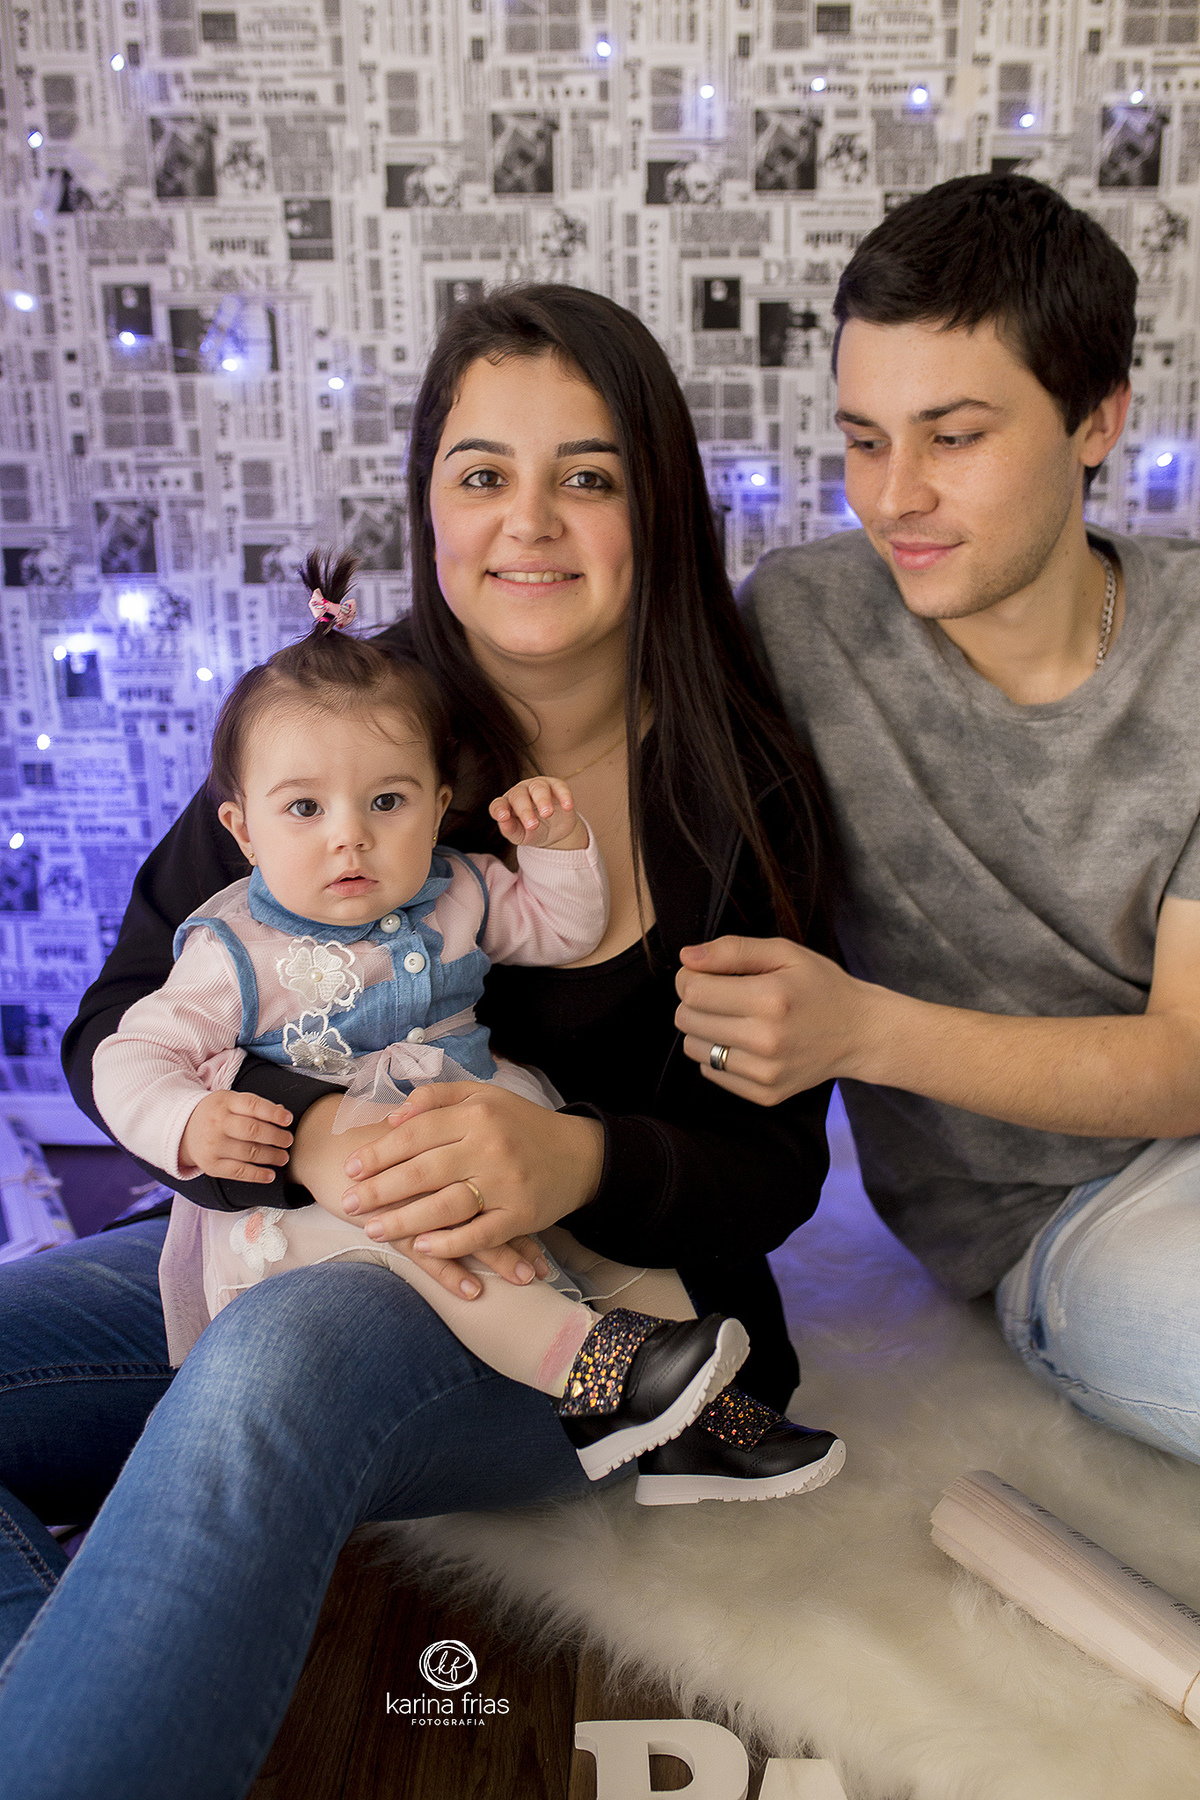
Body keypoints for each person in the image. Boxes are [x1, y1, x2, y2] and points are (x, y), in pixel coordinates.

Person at [0, 284, 838, 1798]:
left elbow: (773, 1173)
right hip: (294, 1227)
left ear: (653, 507)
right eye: (481, 476)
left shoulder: (736, 785)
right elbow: (119, 1028)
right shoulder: (339, 729)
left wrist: (575, 1155)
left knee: (271, 1369)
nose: (529, 523)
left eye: (587, 476)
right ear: (428, 504)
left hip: (575, 1315)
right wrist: (304, 1130)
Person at [678, 172, 1200, 1467]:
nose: (892, 494)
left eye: (952, 436)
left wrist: (863, 1029)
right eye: (864, 438)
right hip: (1061, 1218)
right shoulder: (801, 626)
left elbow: (1187, 1059)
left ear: (1097, 421)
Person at [91, 551, 764, 1488]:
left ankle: (697, 1399)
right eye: (304, 808)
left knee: (595, 1236)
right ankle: (595, 1374)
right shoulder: (235, 949)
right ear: (242, 831)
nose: (349, 836)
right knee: (464, 1256)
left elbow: (563, 932)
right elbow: (129, 1054)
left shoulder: (456, 887)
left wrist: (559, 850)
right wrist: (192, 1122)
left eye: (387, 802)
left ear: (440, 806)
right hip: (349, 1199)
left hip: (488, 1131)